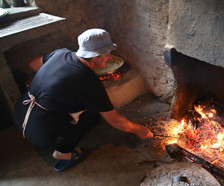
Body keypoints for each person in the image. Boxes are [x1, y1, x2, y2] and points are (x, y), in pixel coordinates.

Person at [14, 28, 153, 172]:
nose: (110, 57)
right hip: (40, 133)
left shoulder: (62, 53)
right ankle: (64, 152)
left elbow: (33, 64)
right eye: (107, 54)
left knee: (76, 104)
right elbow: (115, 120)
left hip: (20, 113)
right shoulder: (88, 81)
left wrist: (50, 84)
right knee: (92, 114)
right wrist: (140, 130)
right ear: (95, 56)